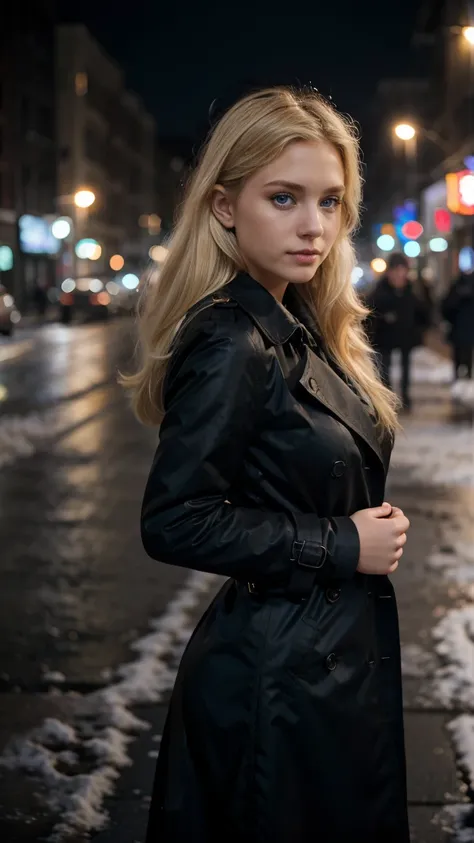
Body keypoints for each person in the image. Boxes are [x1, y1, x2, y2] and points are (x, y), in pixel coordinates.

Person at [122, 86, 411, 843]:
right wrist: (341, 542)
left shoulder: (298, 322)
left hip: (315, 664)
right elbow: (174, 519)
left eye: (328, 200)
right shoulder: (233, 339)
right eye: (283, 197)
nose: (312, 225)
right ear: (224, 206)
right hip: (276, 681)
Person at [365, 252, 430, 410]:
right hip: (384, 338)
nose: (399, 275)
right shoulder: (379, 292)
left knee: (405, 368)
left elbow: (424, 312)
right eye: (396, 271)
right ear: (389, 272)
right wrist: (383, 319)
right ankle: (388, 398)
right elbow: (369, 312)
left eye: (402, 271)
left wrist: (418, 328)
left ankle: (406, 397)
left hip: (406, 336)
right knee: (384, 368)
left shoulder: (413, 291)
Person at [441, 269, 474, 380]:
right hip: (461, 329)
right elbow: (447, 307)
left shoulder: (456, 287)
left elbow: (446, 307)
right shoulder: (457, 288)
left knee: (462, 354)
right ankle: (463, 378)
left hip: (461, 329)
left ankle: (460, 378)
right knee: (463, 354)